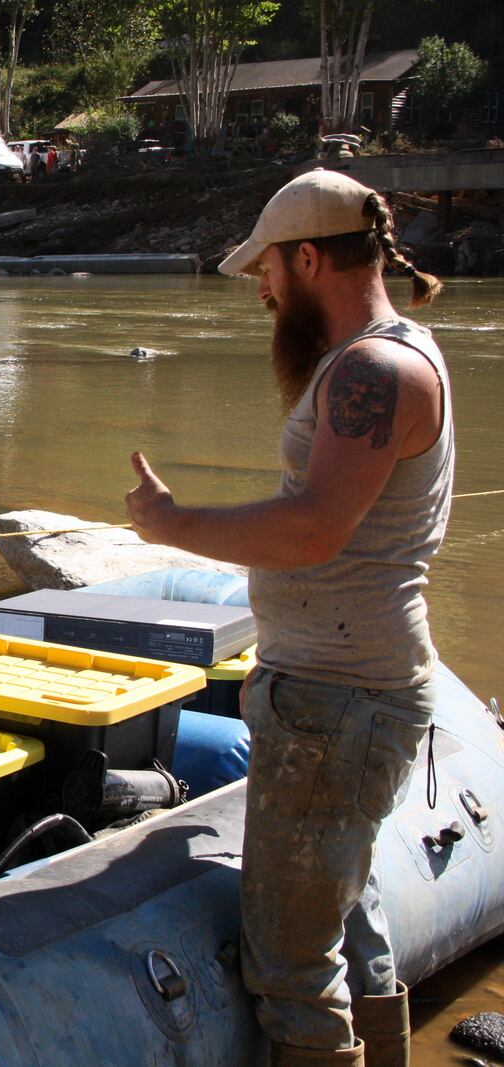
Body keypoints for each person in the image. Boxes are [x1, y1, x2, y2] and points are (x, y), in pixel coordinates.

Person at [125, 169, 450, 1067]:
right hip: (349, 691)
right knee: (346, 908)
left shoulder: (373, 369)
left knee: (292, 962)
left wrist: (171, 523)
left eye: (267, 269)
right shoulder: (393, 352)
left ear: (309, 258)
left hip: (337, 701)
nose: (261, 290)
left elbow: (314, 529)